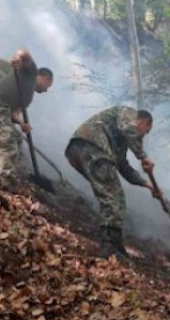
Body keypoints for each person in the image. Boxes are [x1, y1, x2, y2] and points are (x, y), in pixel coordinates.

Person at [65, 106, 162, 259]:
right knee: (115, 198)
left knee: (111, 194)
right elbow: (130, 129)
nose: (144, 135)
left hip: (78, 150)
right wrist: (143, 157)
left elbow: (123, 166)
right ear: (144, 122)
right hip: (94, 146)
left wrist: (148, 185)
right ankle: (108, 246)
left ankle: (115, 243)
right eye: (146, 130)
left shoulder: (119, 140)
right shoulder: (129, 113)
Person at [0, 49, 53, 188]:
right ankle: (2, 181)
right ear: (44, 77)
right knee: (8, 139)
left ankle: (2, 170)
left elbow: (13, 115)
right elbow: (24, 53)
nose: (47, 90)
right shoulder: (31, 73)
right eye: (48, 85)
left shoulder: (28, 99)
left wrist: (22, 124)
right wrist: (18, 58)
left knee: (16, 139)